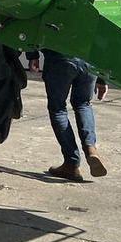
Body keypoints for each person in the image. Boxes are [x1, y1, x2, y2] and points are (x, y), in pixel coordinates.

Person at [27, 50, 107, 181]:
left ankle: (71, 163)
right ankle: (90, 148)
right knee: (83, 105)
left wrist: (32, 55)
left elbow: (32, 35)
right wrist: (102, 77)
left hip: (59, 57)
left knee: (58, 109)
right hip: (89, 61)